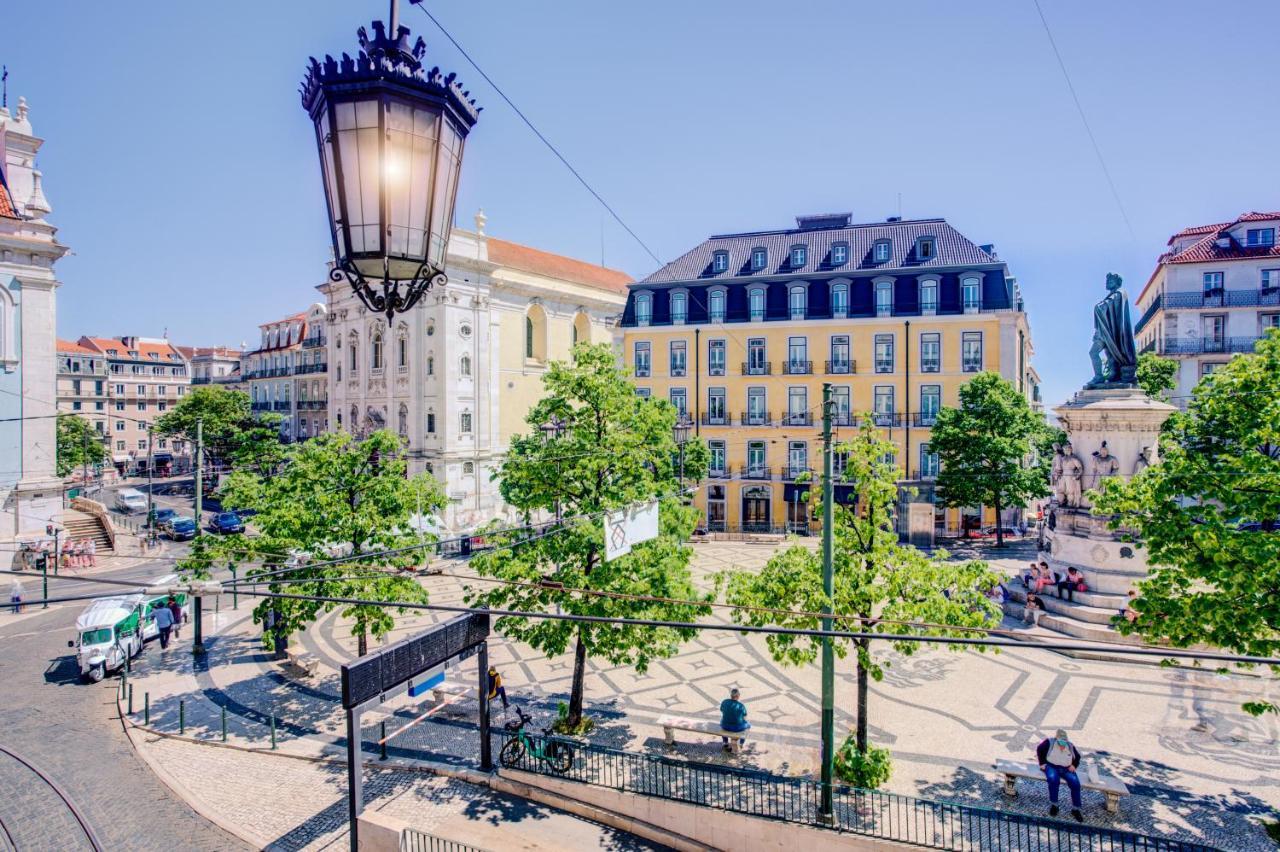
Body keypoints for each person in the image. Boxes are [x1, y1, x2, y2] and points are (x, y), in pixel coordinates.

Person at [1037, 729, 1084, 821]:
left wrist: (1074, 765)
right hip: (1052, 766)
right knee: (1053, 780)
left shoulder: (1070, 746)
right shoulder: (1049, 742)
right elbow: (1039, 749)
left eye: (1064, 740)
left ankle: (1076, 809)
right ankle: (1054, 805)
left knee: (1075, 784)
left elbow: (1077, 757)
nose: (1062, 743)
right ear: (1057, 738)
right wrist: (1042, 763)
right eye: (1061, 740)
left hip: (1066, 768)